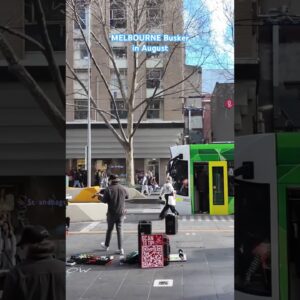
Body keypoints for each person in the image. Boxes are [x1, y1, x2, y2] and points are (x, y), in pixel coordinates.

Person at [1, 225, 65, 300]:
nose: (21, 251)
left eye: (21, 247)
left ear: (27, 246)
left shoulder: (17, 273)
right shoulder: (65, 268)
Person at [100, 174, 129, 255]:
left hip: (112, 213)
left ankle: (106, 245)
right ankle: (120, 249)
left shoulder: (108, 189)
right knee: (119, 230)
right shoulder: (123, 188)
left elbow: (104, 200)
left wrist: (99, 197)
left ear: (110, 180)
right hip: (121, 213)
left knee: (109, 229)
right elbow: (127, 196)